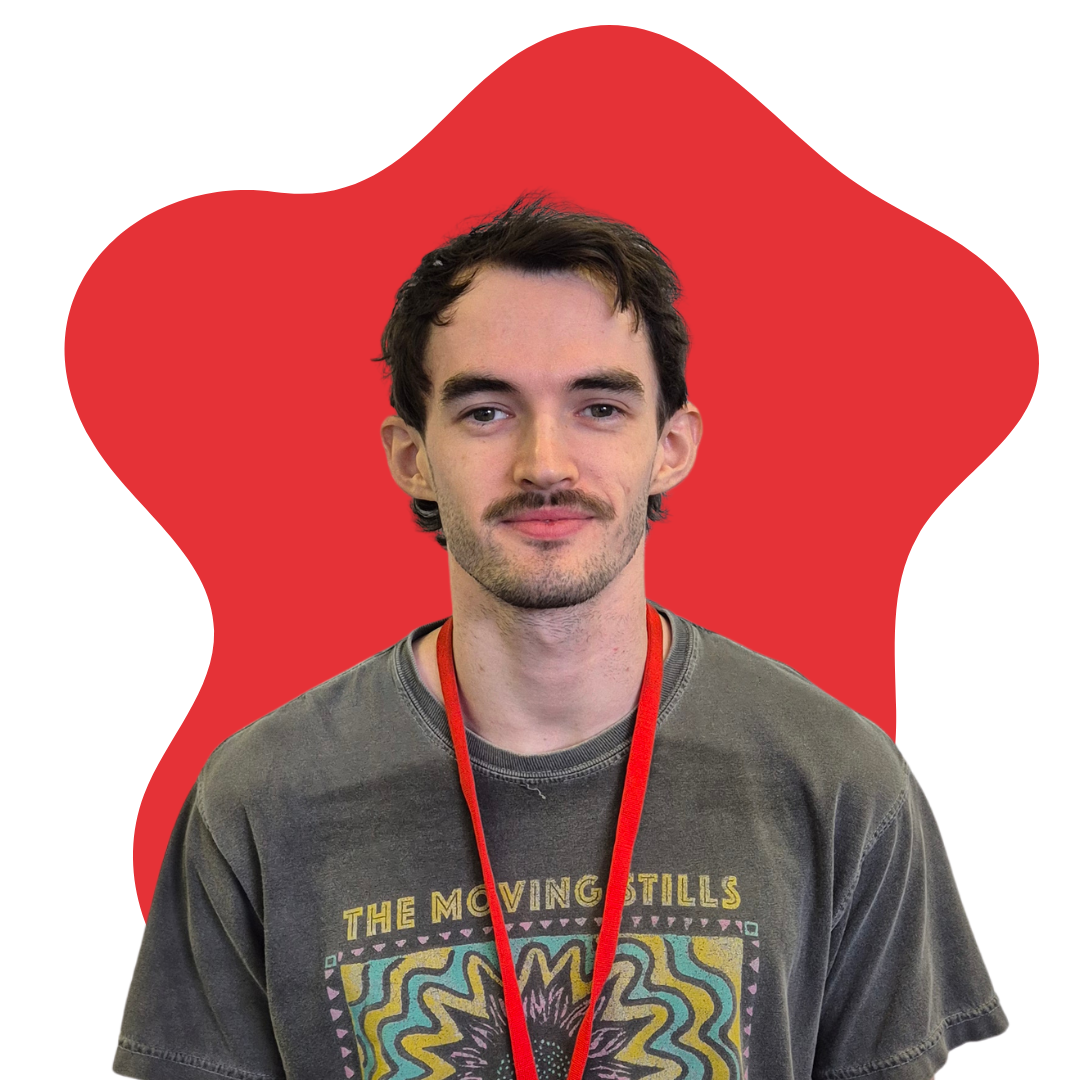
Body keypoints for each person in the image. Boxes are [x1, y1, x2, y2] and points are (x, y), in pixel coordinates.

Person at [113, 197, 1006, 1080]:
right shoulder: (260, 803)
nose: (545, 462)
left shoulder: (837, 781)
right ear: (410, 456)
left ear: (673, 445)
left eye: (600, 408)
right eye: (486, 412)